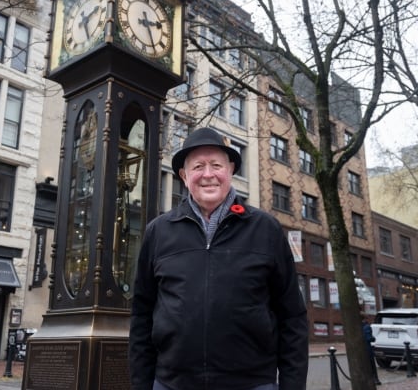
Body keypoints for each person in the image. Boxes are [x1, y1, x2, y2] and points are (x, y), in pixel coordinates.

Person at [129, 127, 309, 390]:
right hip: (172, 384)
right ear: (184, 175)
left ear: (231, 170)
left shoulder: (265, 229)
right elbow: (142, 315)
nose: (208, 174)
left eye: (216, 165)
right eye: (198, 166)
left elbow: (292, 316)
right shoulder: (158, 231)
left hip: (252, 383)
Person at [362, 313, 381, 386]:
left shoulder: (356, 326)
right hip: (367, 348)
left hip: (361, 349)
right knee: (372, 365)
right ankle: (375, 379)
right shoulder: (367, 327)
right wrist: (373, 338)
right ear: (365, 319)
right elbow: (369, 338)